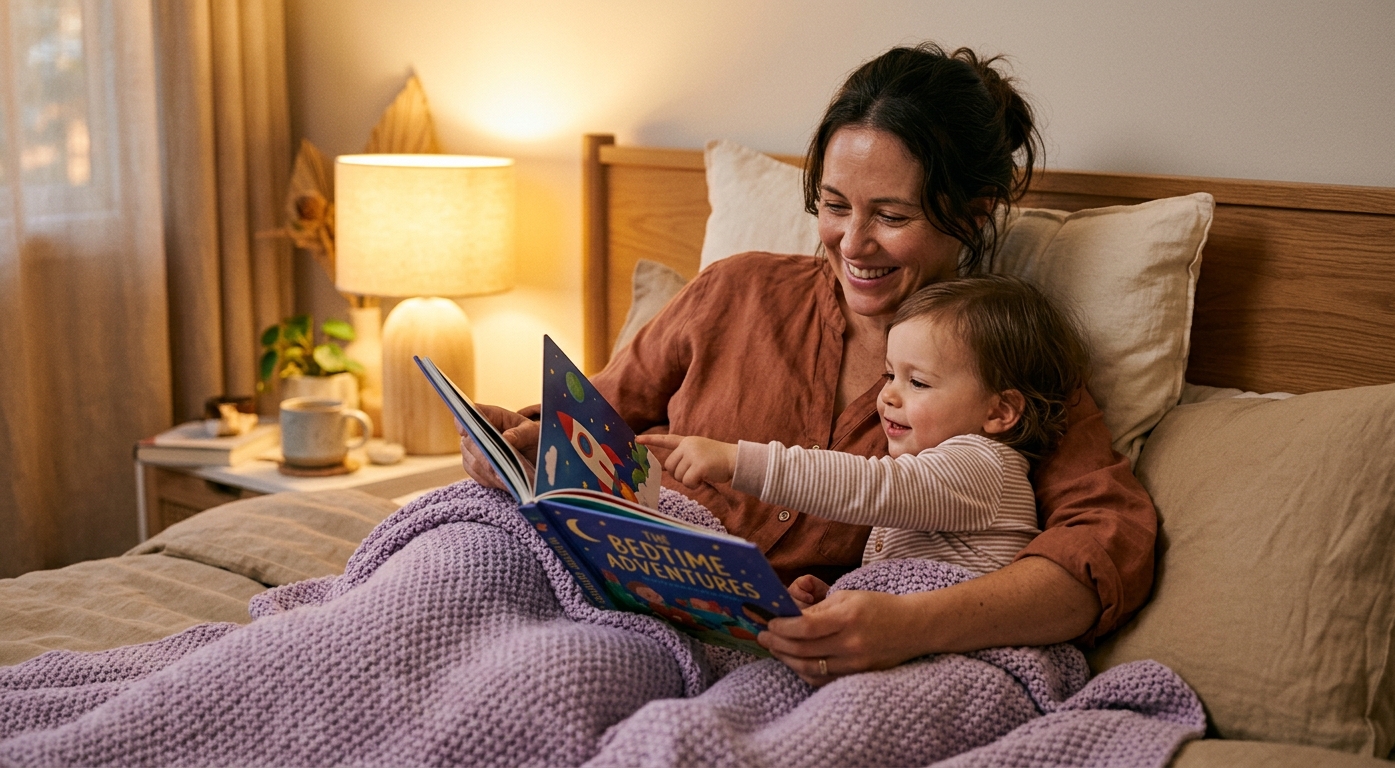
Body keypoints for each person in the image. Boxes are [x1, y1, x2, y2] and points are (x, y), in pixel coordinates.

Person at [461, 43, 1157, 687]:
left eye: (891, 215)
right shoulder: (733, 291)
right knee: (448, 560)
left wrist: (911, 625)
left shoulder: (1008, 368)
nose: (853, 242)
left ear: (972, 216)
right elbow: (593, 422)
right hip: (607, 593)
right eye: (833, 205)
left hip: (752, 662)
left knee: (546, 683)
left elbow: (1102, 550)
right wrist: (519, 448)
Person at [638, 275, 1088, 609]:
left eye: (919, 383)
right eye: (890, 375)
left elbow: (868, 487)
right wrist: (834, 596)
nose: (887, 395)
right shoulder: (940, 473)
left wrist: (738, 461)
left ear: (999, 412)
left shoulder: (982, 466)